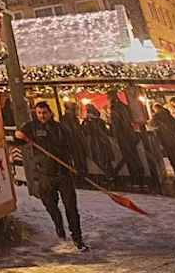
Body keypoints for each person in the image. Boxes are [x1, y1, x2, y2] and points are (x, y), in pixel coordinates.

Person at [16, 102, 87, 251]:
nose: (42, 116)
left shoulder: (61, 129)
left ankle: (77, 238)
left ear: (50, 113)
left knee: (71, 207)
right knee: (50, 205)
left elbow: (73, 147)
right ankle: (58, 224)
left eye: (44, 113)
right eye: (39, 113)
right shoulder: (32, 127)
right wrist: (18, 135)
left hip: (63, 173)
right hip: (45, 174)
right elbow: (19, 139)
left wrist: (78, 167)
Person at [105, 89, 145, 185]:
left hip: (123, 135)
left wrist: (113, 132)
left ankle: (135, 176)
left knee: (128, 156)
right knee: (134, 155)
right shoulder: (124, 106)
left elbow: (116, 123)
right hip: (129, 133)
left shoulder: (115, 108)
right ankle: (140, 174)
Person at [80, 104, 114, 179]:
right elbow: (107, 132)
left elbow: (84, 132)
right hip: (102, 143)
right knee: (105, 161)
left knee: (99, 161)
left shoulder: (86, 122)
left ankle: (103, 177)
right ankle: (109, 176)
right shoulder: (99, 121)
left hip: (94, 144)